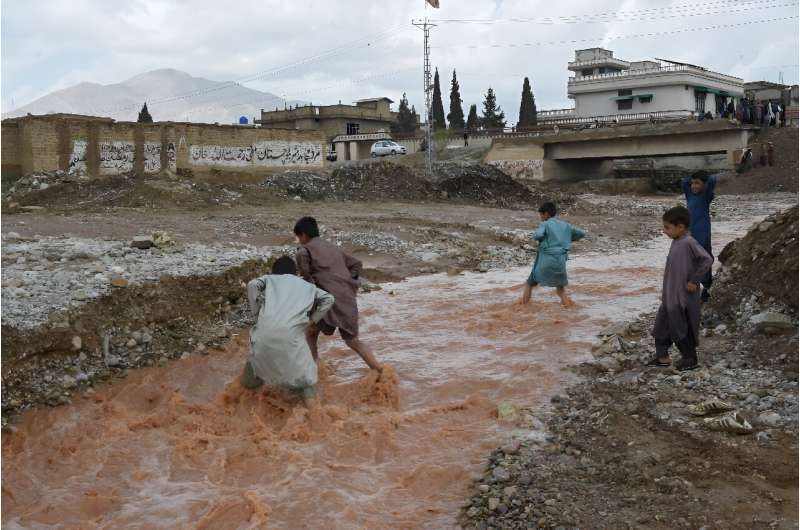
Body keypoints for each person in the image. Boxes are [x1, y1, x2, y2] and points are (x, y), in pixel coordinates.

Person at [294, 217, 383, 372]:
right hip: (347, 300)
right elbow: (356, 264)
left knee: (310, 332)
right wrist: (348, 283)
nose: (299, 241)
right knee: (353, 341)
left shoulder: (304, 252)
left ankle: (313, 370)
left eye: (298, 237)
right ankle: (380, 371)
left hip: (327, 301)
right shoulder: (333, 248)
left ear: (303, 235)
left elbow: (308, 282)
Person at [243, 256, 335, 400]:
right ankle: (313, 414)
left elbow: (252, 285)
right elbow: (329, 299)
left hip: (262, 335)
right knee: (306, 379)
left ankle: (246, 399)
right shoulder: (307, 286)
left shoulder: (269, 280)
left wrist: (257, 314)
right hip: (292, 337)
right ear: (295, 272)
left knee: (253, 374)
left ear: (274, 272)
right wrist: (312, 320)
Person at [647, 206, 713, 371]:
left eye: (667, 227)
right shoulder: (677, 241)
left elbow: (707, 260)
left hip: (681, 296)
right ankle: (662, 357)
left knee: (680, 327)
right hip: (670, 295)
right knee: (661, 326)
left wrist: (694, 280)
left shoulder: (688, 242)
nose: (664, 231)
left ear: (680, 227)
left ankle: (690, 359)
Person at [519, 202, 585, 307]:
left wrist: (538, 239)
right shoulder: (565, 225)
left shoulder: (545, 224)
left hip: (545, 260)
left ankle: (522, 308)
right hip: (560, 261)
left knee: (529, 283)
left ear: (546, 214)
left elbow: (538, 235)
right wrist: (567, 239)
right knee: (560, 290)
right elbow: (582, 233)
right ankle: (568, 308)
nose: (540, 217)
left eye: (541, 214)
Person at [681, 170, 716, 303]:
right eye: (693, 183)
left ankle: (707, 287)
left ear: (704, 185)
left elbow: (712, 179)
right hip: (690, 234)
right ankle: (697, 289)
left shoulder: (705, 196)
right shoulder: (690, 195)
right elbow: (684, 182)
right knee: (692, 262)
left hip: (703, 234)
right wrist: (693, 178)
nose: (694, 186)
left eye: (697, 183)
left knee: (704, 259)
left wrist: (703, 176)